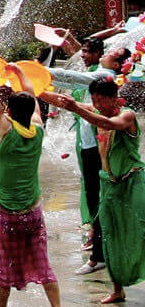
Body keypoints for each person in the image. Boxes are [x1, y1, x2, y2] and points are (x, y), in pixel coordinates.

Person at [0, 60, 65, 307]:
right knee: (44, 265)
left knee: (4, 272)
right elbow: (34, 96)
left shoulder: (6, 130)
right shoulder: (38, 130)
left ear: (10, 113)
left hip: (8, 216)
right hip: (33, 213)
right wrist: (19, 73)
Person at [48, 77, 145, 304]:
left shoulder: (127, 115)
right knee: (110, 235)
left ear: (115, 97)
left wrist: (77, 108)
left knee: (140, 231)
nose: (97, 104)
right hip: (109, 184)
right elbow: (61, 101)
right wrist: (30, 85)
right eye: (94, 100)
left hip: (132, 183)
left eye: (102, 100)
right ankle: (117, 290)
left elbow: (110, 124)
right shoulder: (96, 112)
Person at [48, 40, 128, 275]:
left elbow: (73, 80)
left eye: (112, 52)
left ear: (118, 64)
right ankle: (99, 248)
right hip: (89, 148)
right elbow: (73, 100)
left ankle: (100, 255)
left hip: (102, 155)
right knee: (95, 199)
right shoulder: (100, 83)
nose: (108, 51)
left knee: (101, 201)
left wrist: (41, 72)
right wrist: (36, 87)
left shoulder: (105, 78)